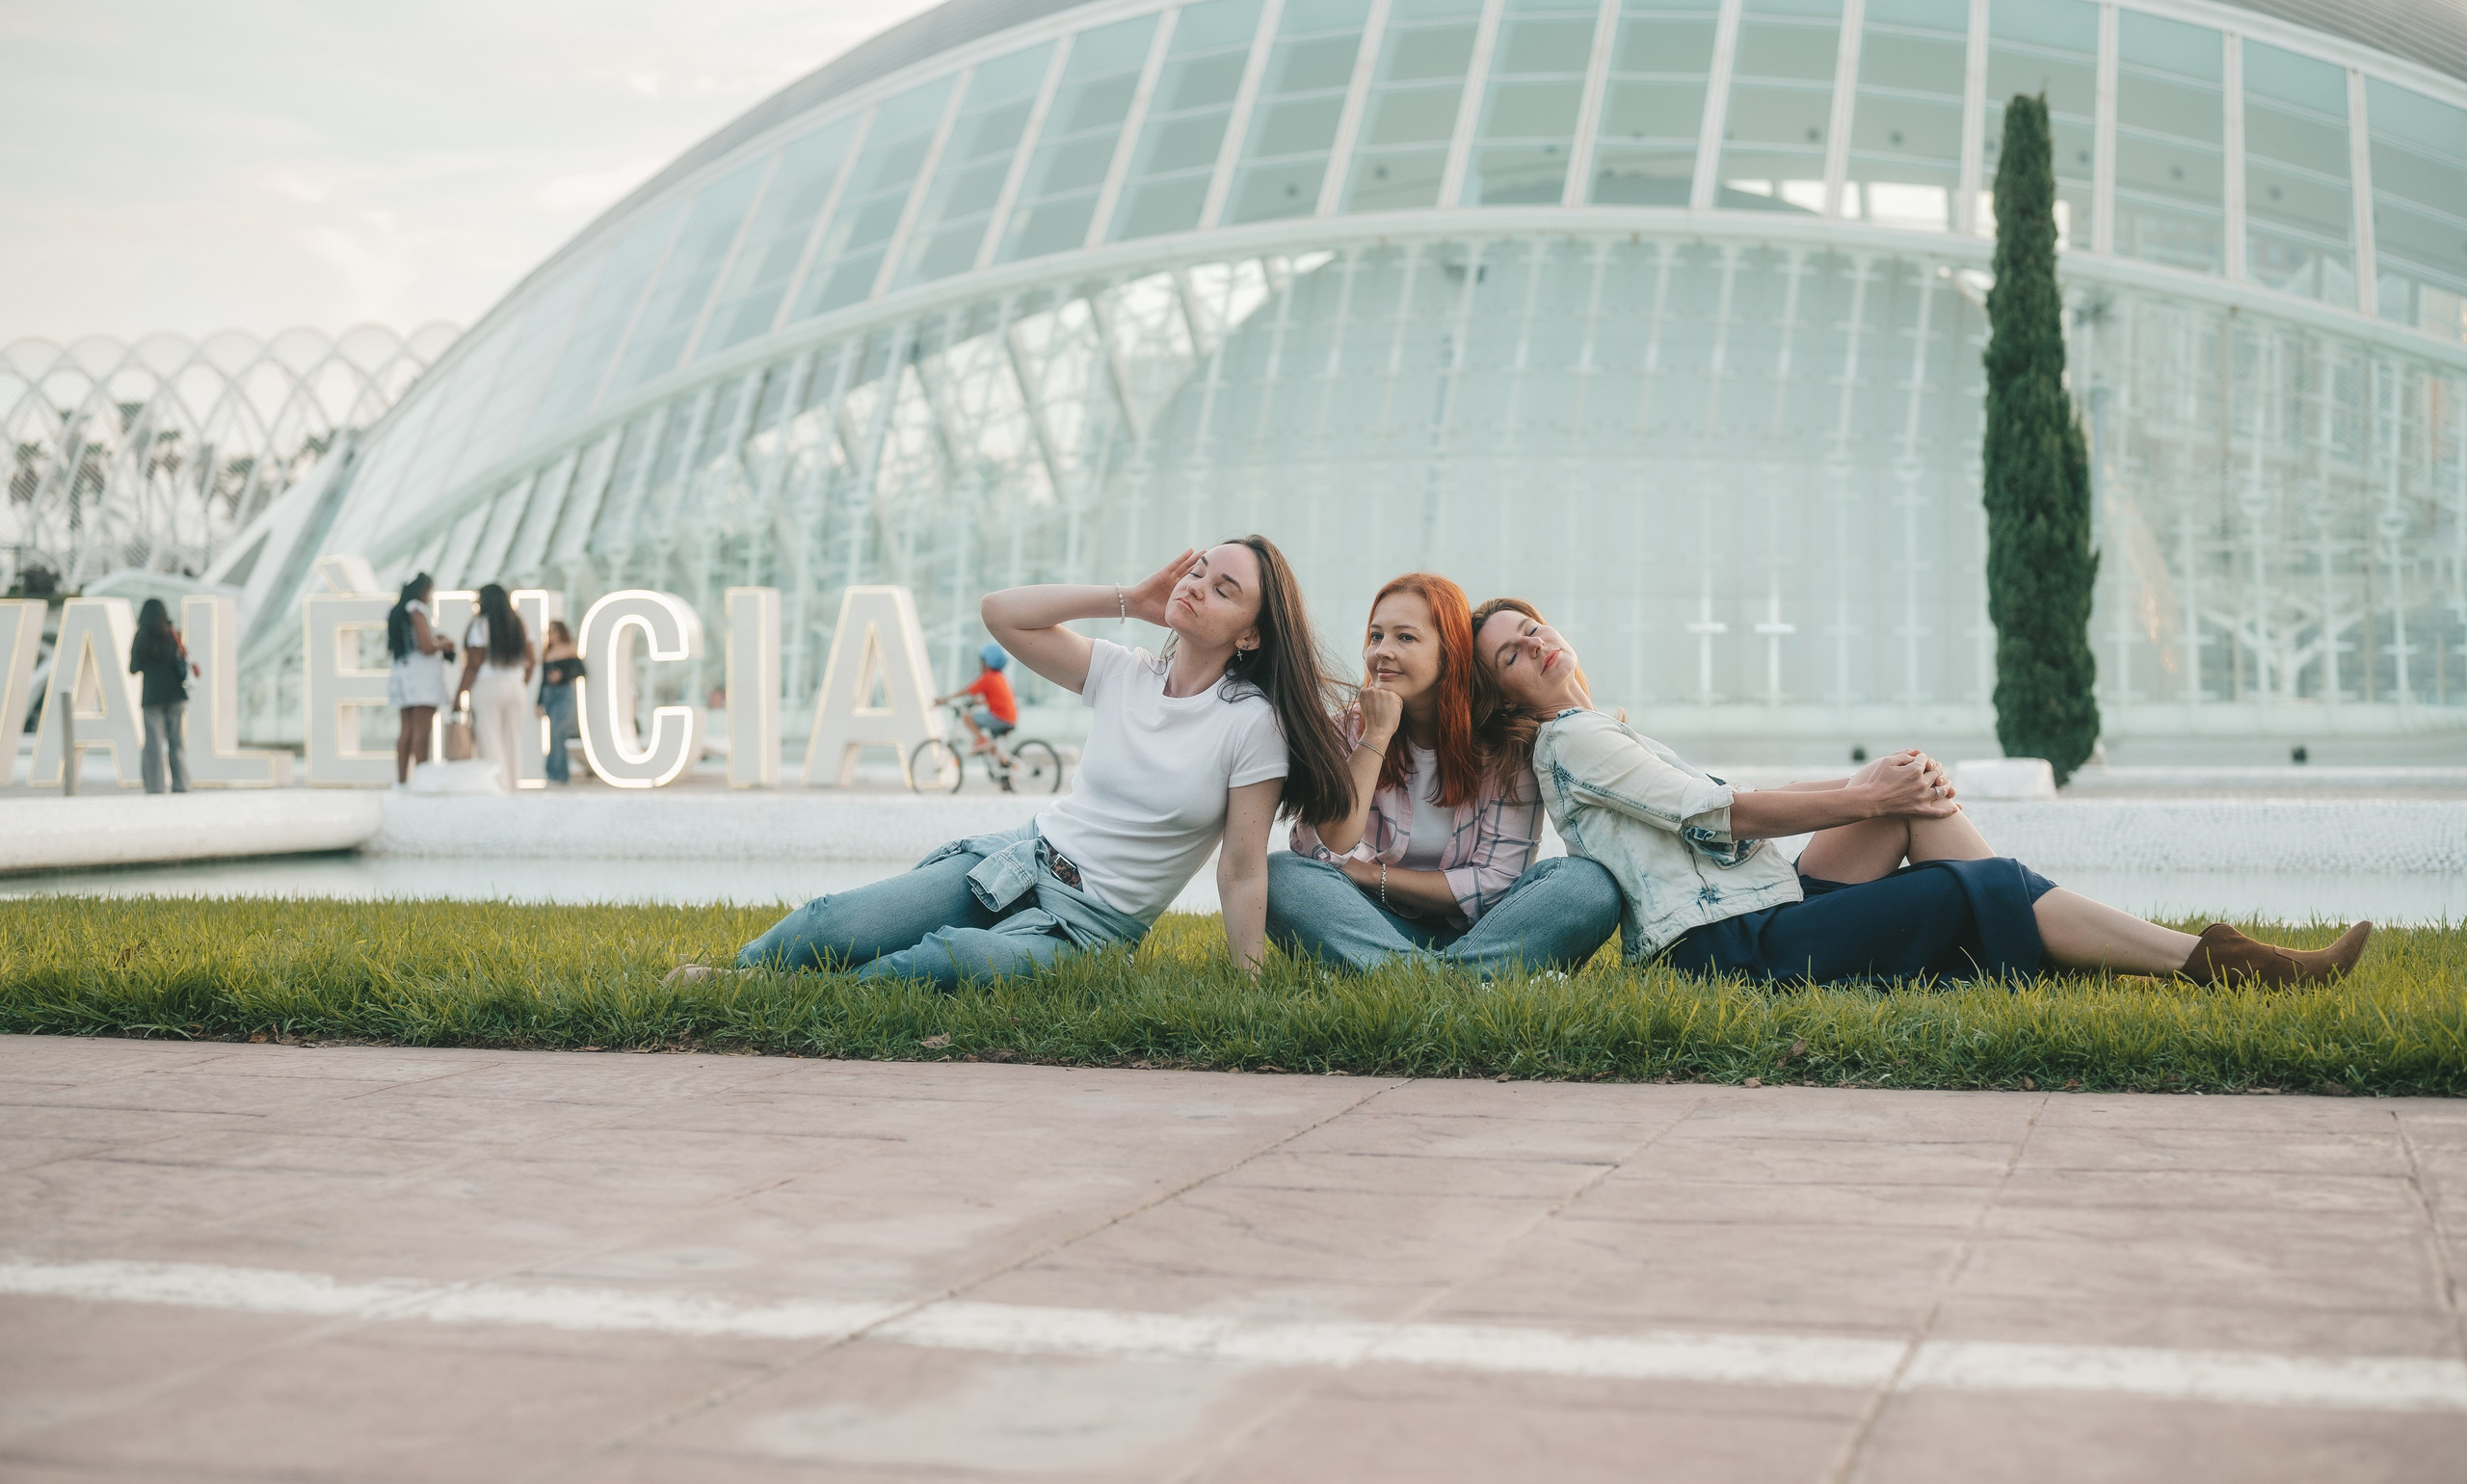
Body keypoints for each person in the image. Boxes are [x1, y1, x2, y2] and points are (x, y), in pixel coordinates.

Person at [1471, 596, 2372, 989]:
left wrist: (1877, 788)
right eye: (1512, 653)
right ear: (1505, 694)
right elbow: (1727, 812)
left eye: (1535, 627)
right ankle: (2201, 960)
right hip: (1725, 952)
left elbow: (1731, 805)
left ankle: (2033, 920)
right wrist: (1859, 798)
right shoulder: (1574, 740)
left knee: (1912, 798)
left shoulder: (1601, 730)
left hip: (1760, 908)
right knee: (1952, 881)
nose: (1537, 643)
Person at [670, 538, 1354, 990]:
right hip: (1019, 857)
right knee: (832, 921)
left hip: (1086, 925)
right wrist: (1129, 602)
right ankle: (740, 977)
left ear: (1251, 633)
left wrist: (1251, 986)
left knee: (944, 960)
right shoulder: (1123, 672)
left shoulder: (1251, 723)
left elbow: (1239, 867)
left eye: (1225, 588)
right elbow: (1002, 614)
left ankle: (796, 996)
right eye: (1199, 569)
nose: (1198, 584)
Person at [1269, 573, 1620, 976]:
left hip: (1490, 930)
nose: (1382, 652)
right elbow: (1320, 849)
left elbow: (1497, 882)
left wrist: (1369, 873)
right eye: (1376, 636)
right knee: (1282, 875)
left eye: (1406, 638)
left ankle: (1407, 977)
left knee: (1588, 882)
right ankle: (1461, 979)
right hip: (1378, 924)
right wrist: (1376, 735)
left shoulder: (1507, 743)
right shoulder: (1350, 729)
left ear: (1450, 653)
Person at [455, 583, 537, 793]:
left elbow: (473, 664)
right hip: (516, 687)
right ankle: (512, 788)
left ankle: (496, 790)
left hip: (488, 686)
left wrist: (459, 694)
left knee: (489, 738)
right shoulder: (520, 624)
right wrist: (520, 682)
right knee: (513, 740)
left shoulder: (480, 625)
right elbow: (532, 659)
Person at [385, 574, 455, 785]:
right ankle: (422, 778)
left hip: (402, 672)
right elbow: (425, 646)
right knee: (422, 729)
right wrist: (443, 643)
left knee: (406, 729)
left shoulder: (396, 611)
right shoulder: (416, 609)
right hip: (422, 677)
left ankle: (402, 779)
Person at [127, 597, 196, 794]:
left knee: (153, 746)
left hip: (151, 698)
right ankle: (181, 785)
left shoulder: (141, 637)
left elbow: (133, 668)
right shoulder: (173, 634)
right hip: (175, 696)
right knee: (176, 743)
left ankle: (155, 788)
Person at [536, 620, 584, 784]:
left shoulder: (570, 649)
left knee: (557, 731)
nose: (551, 635)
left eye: (554, 631)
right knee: (554, 733)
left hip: (564, 693)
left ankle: (556, 772)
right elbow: (543, 680)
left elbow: (580, 670)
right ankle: (558, 773)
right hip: (550, 694)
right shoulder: (547, 652)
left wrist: (562, 676)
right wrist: (539, 702)